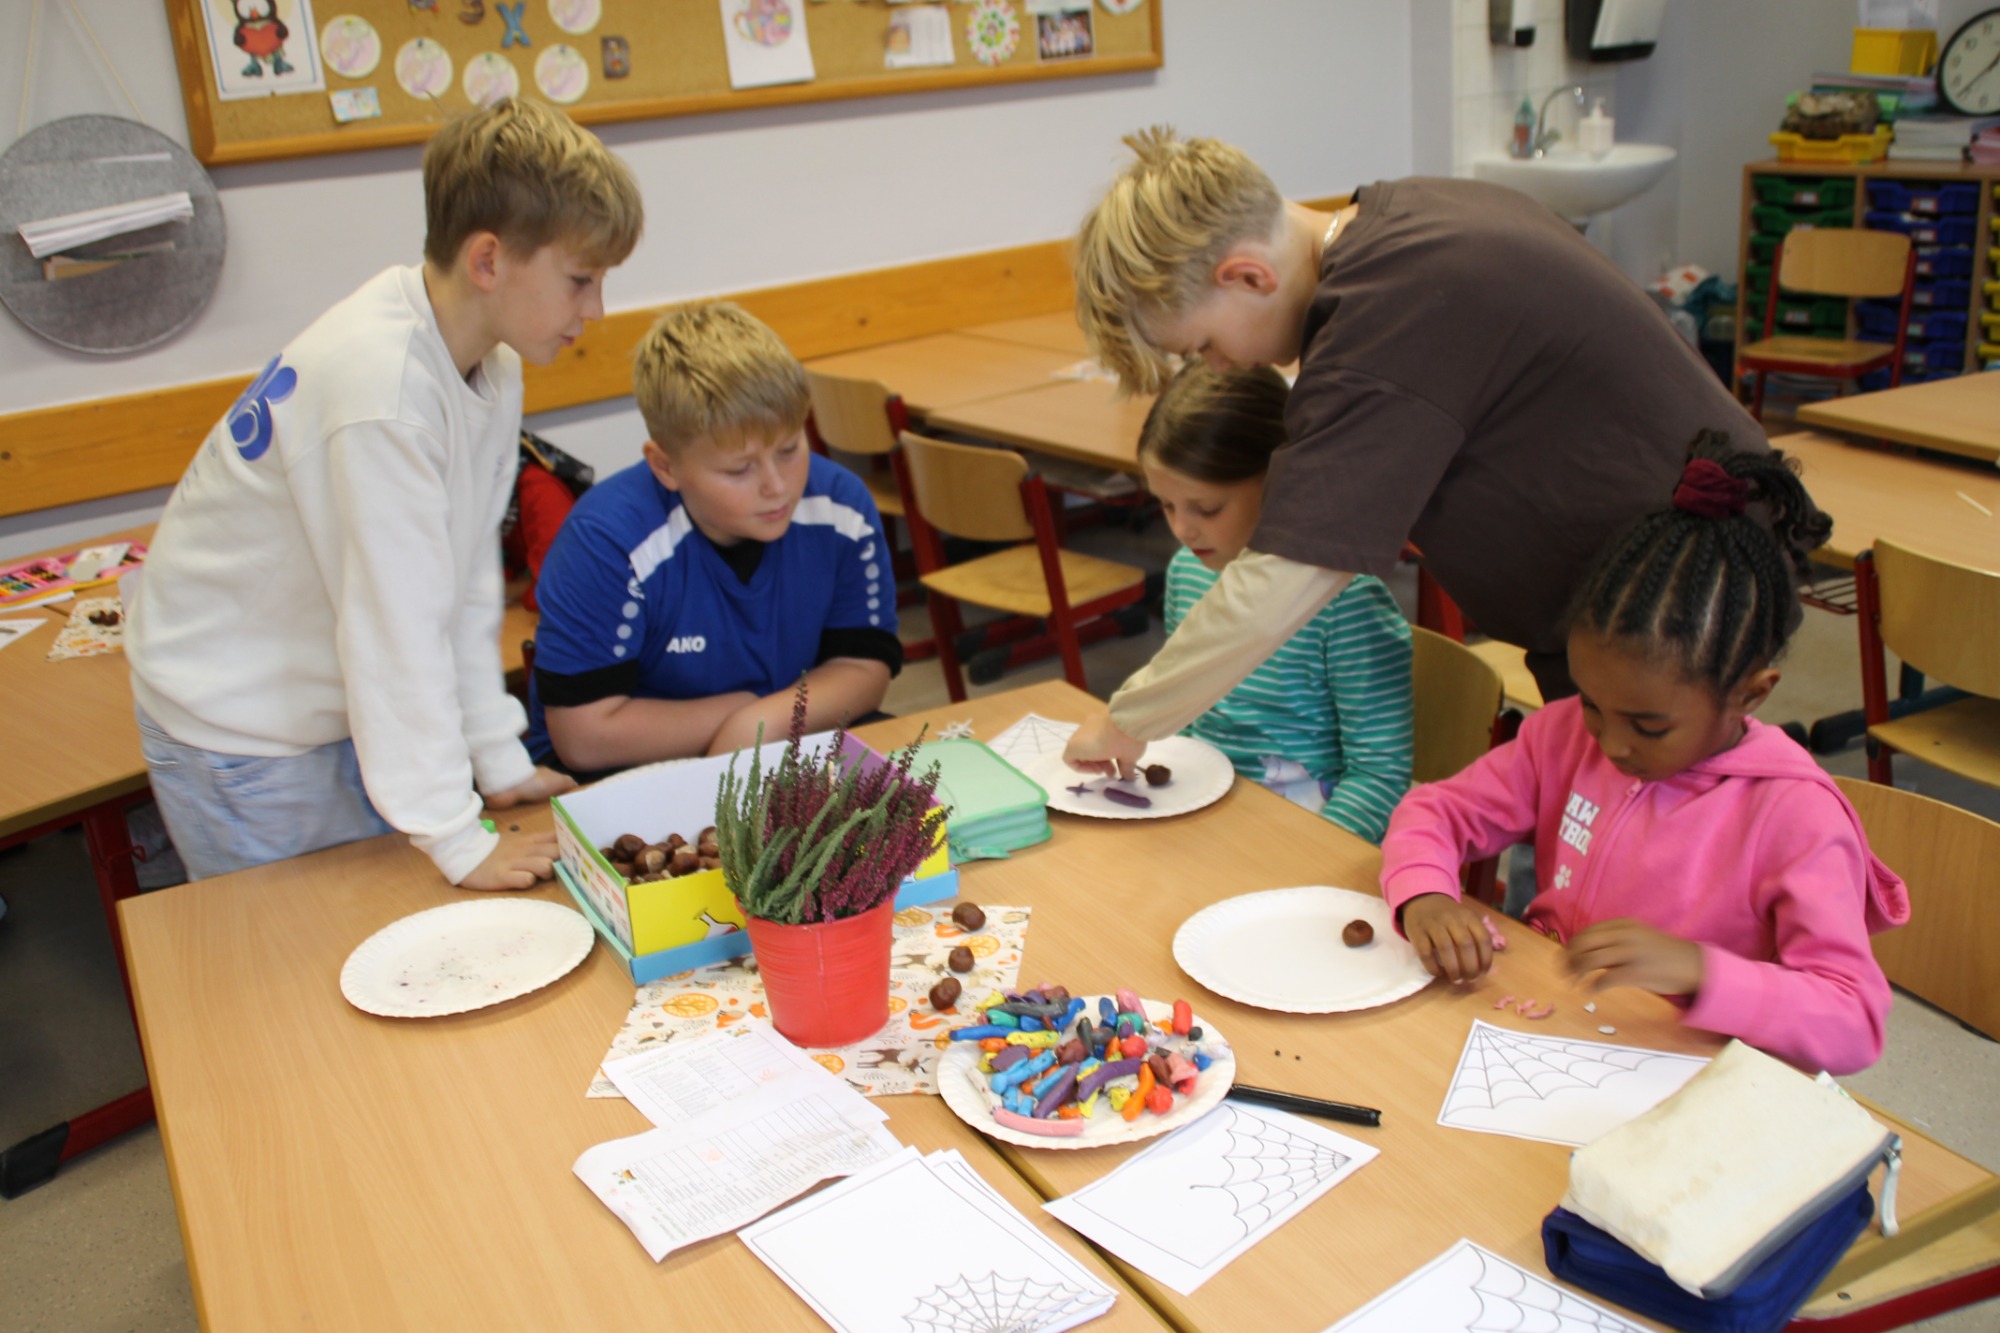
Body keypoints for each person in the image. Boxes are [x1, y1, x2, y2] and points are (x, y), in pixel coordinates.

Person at [1063, 128, 1772, 779]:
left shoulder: (1378, 326)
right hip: (1646, 577)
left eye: (1204, 345)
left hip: (1677, 604)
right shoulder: (1407, 216)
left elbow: (1285, 576)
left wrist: (1128, 722)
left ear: (1249, 277)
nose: (1216, 367)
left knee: (1664, 838)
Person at [127, 99, 642, 888]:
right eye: (580, 279)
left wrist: (495, 756)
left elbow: (462, 579)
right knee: (308, 952)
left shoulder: (490, 359)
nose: (596, 309)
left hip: (329, 700)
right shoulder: (384, 390)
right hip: (243, 725)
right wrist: (458, 837)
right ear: (488, 261)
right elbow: (393, 630)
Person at [1379, 436, 1908, 1075]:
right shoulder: (1564, 735)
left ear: (1750, 694)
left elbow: (1854, 1021)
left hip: (1688, 1077)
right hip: (1555, 1028)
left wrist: (1701, 971)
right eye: (1592, 703)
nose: (1611, 744)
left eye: (1649, 727)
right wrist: (1424, 894)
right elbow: (1436, 811)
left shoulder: (1795, 817)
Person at [525, 302, 900, 778]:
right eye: (739, 469)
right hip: (620, 771)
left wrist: (761, 721)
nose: (777, 486)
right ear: (665, 466)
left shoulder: (841, 505)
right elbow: (583, 738)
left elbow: (865, 667)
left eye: (789, 449)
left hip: (779, 733)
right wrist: (740, 714)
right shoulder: (604, 541)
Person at [1139, 363, 1411, 841]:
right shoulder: (1187, 570)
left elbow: (1380, 776)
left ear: (1279, 480)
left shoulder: (1347, 600)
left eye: (1206, 508)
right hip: (1208, 813)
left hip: (1309, 831)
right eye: (1166, 505)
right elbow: (1188, 715)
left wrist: (1314, 856)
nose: (1182, 529)